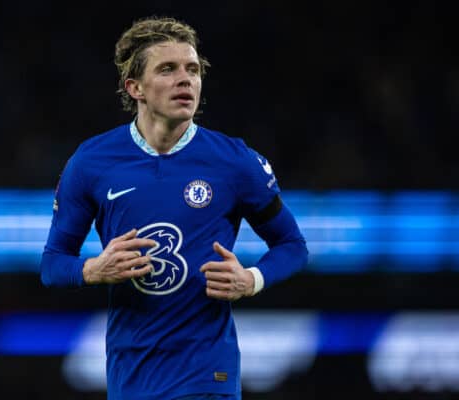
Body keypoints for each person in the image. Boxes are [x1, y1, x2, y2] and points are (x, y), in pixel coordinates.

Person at [40, 16, 308, 400]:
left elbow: (293, 246)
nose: (186, 79)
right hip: (131, 373)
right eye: (168, 69)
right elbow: (52, 264)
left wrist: (251, 279)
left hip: (206, 373)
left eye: (193, 69)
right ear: (135, 88)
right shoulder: (91, 162)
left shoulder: (235, 162)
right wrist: (94, 269)